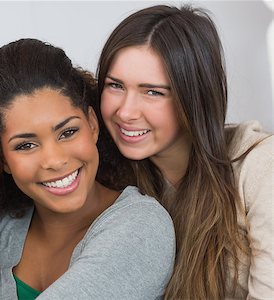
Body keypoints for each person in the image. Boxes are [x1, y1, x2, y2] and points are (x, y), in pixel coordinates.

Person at [95, 4, 274, 299]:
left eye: (153, 92)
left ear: (194, 96)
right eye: (115, 85)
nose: (125, 112)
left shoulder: (260, 167)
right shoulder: (115, 182)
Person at [0, 38, 175, 299]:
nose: (55, 160)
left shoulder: (142, 226)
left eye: (68, 132)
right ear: (2, 159)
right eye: (26, 145)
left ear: (92, 125)